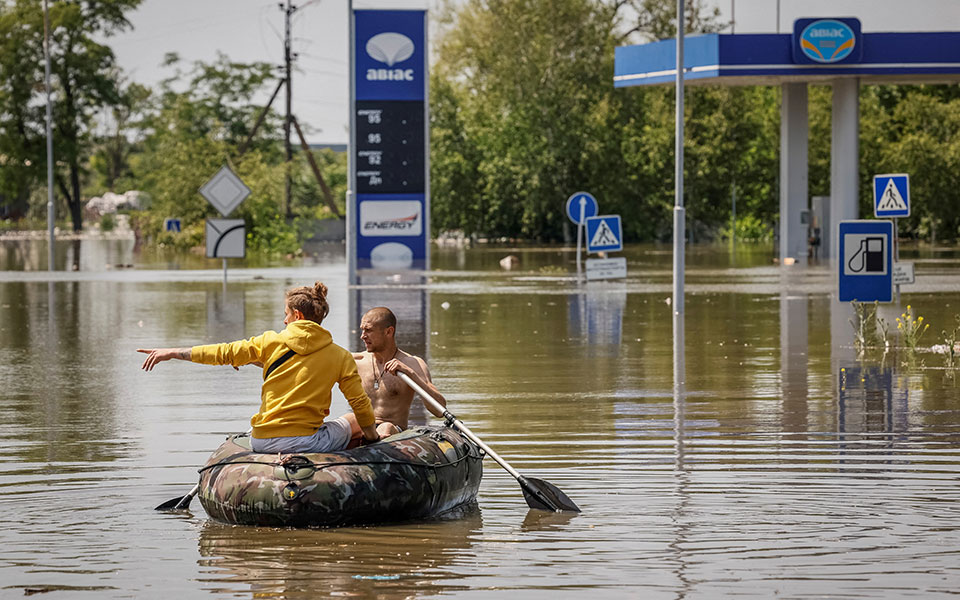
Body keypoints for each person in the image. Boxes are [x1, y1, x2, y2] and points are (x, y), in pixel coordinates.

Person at [137, 281, 380, 453]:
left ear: (297, 315)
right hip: (307, 442)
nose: (284, 320)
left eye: (286, 314)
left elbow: (221, 352)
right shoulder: (340, 356)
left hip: (262, 441)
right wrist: (373, 439)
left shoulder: (269, 342)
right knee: (352, 420)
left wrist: (173, 353)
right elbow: (360, 404)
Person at [342, 307, 446, 445]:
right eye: (362, 330)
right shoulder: (355, 361)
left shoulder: (412, 363)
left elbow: (439, 410)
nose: (363, 336)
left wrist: (409, 373)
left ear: (389, 332)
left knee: (386, 427)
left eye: (368, 330)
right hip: (363, 427)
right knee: (348, 419)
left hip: (394, 431)